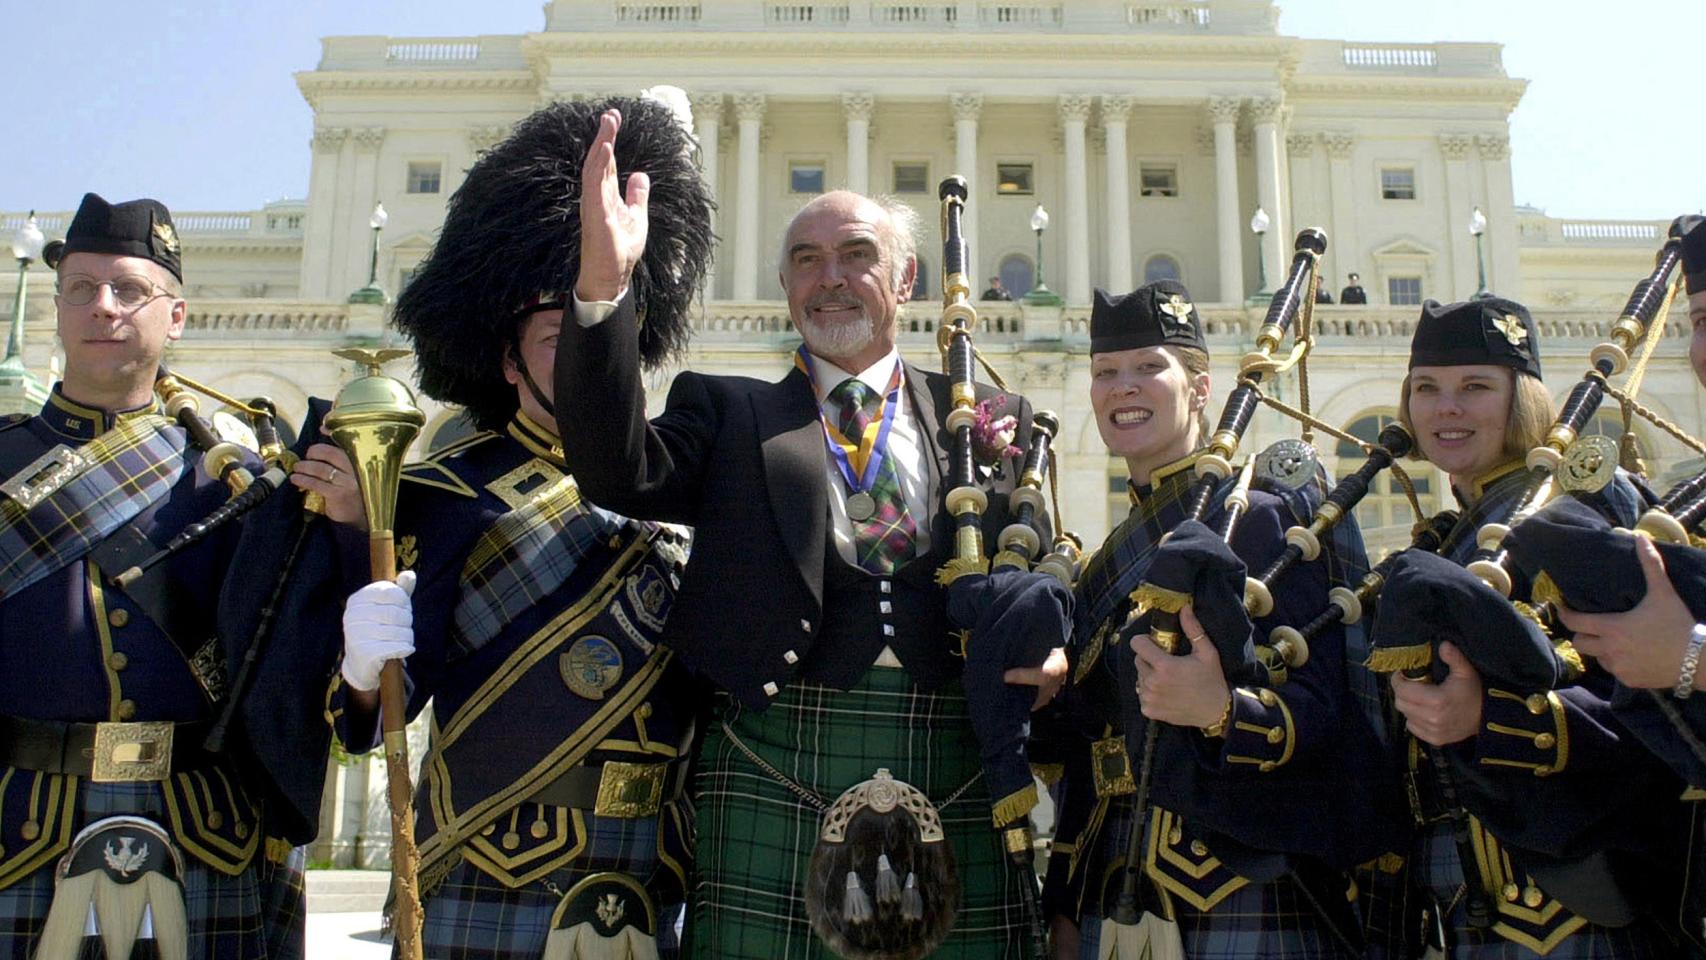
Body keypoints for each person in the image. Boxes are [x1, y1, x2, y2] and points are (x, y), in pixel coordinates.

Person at [554, 108, 1069, 958]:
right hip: (775, 756)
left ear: (905, 280)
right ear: (787, 286)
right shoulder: (729, 411)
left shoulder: (984, 416)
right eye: (805, 259)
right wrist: (605, 287)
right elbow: (615, 469)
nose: (830, 278)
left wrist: (1049, 647)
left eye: (856, 255)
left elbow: (1038, 559)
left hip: (957, 757)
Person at [287, 95, 714, 959]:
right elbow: (366, 717)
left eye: (604, 337)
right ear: (508, 360)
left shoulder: (673, 479)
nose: (589, 355)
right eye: (557, 338)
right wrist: (363, 665)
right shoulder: (445, 492)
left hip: (654, 861)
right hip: (499, 851)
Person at [1037, 282, 1387, 959]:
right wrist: (1066, 899)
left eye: (1149, 367)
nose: (1122, 386)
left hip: (1241, 874)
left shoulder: (1258, 516)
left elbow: (1326, 706)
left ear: (1201, 388)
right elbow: (1094, 753)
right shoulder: (1109, 557)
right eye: (1106, 372)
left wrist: (1224, 712)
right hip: (1114, 880)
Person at [0, 194, 302, 959]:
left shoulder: (235, 480)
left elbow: (284, 667)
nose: (103, 306)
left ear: (176, 316)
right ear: (57, 308)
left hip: (201, 822)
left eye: (129, 290)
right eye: (81, 288)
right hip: (19, 820)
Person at [1370, 297, 1691, 958]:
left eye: (1475, 387)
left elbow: (1650, 708)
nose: (1446, 408)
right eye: (1426, 388)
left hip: (1569, 902)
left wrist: (1490, 720)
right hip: (1458, 897)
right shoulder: (1456, 529)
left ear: (1524, 400)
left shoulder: (1576, 506)